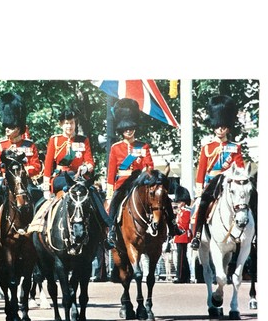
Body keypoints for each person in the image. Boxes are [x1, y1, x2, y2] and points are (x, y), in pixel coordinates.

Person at [105, 98, 183, 249]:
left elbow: (149, 165)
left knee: (162, 197)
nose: (129, 130)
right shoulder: (116, 147)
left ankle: (172, 226)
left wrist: (144, 172)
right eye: (126, 128)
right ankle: (112, 231)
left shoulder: (143, 146)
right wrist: (110, 191)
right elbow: (111, 171)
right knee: (115, 202)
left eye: (131, 127)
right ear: (122, 129)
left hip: (140, 182)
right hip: (122, 182)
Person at [0, 92, 42, 249]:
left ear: (18, 128)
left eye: (11, 127)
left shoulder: (29, 145)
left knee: (41, 201)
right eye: (6, 126)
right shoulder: (1, 146)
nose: (7, 129)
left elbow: (37, 166)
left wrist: (25, 172)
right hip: (7, 184)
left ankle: (41, 237)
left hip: (26, 185)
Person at [42, 107, 111, 232]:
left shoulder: (83, 140)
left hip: (79, 177)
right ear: (61, 124)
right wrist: (46, 188)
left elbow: (90, 162)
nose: (69, 126)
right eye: (67, 123)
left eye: (72, 123)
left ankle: (106, 226)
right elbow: (47, 165)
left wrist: (84, 168)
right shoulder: (55, 140)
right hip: (61, 177)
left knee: (94, 192)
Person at [190, 95, 245, 250]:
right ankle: (198, 235)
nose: (220, 129)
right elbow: (201, 171)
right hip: (212, 183)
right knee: (203, 206)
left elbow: (240, 168)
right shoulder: (207, 147)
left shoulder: (235, 147)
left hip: (228, 182)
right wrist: (200, 191)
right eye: (218, 126)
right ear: (213, 126)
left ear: (228, 126)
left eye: (223, 126)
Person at [173, 185, 192, 283]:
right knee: (183, 257)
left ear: (183, 202)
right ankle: (186, 276)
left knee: (180, 258)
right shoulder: (180, 212)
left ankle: (179, 276)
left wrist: (174, 224)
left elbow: (183, 225)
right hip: (179, 236)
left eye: (179, 202)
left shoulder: (186, 212)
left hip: (182, 236)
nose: (178, 204)